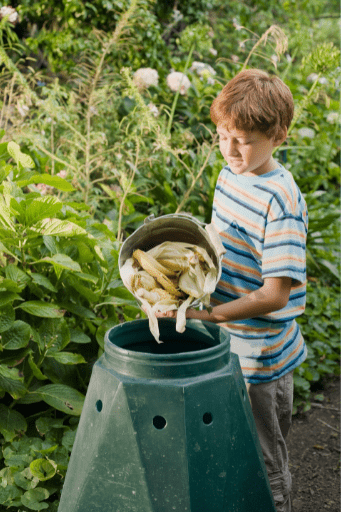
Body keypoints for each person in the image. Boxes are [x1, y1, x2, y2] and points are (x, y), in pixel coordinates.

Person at [157, 68, 308, 512]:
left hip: (263, 354)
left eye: (243, 139)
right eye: (223, 136)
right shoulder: (229, 174)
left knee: (264, 453)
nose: (231, 149)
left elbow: (275, 294)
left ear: (277, 134)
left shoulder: (279, 198)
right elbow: (219, 246)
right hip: (228, 344)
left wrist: (210, 316)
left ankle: (276, 505)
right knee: (228, 440)